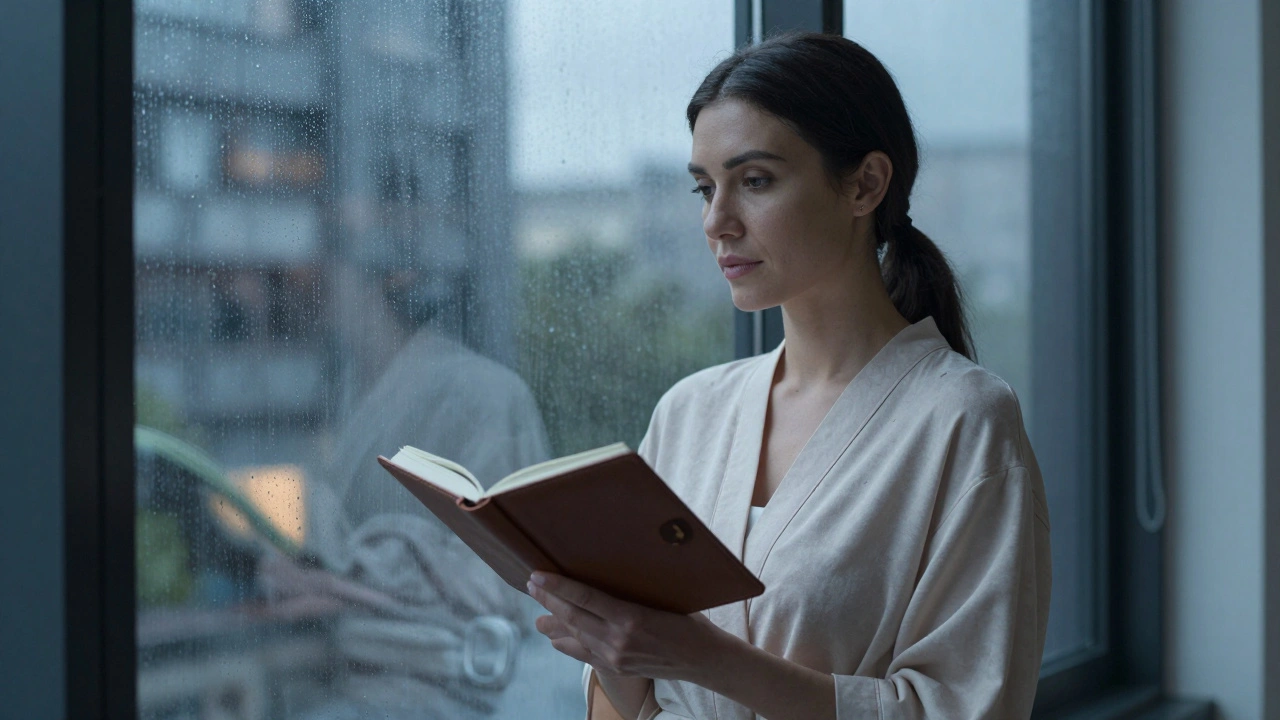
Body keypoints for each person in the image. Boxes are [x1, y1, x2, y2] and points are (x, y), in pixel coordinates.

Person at [526, 31, 1052, 720]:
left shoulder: (965, 420)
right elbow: (624, 706)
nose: (717, 222)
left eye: (755, 181)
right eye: (704, 188)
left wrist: (701, 656)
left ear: (865, 184)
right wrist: (615, 653)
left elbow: (965, 708)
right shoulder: (690, 412)